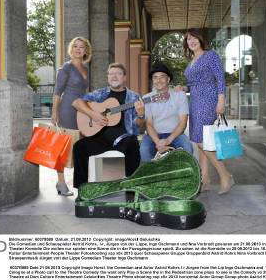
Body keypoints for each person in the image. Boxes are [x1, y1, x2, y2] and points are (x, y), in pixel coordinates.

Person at [176, 28, 234, 195]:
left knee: (202, 141)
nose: (191, 41)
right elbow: (195, 83)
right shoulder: (192, 60)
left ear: (200, 40)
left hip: (208, 100)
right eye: (188, 39)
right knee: (201, 141)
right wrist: (184, 87)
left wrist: (221, 100)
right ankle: (205, 179)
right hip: (194, 101)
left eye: (194, 38)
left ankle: (225, 175)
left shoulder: (210, 55)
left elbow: (219, 78)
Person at [72, 63, 145, 191]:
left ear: (124, 77)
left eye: (118, 73)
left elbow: (139, 126)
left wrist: (141, 115)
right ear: (107, 77)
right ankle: (82, 190)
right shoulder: (101, 94)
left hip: (124, 138)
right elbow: (77, 102)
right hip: (100, 138)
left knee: (132, 145)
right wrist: (93, 115)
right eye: (111, 74)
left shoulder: (134, 97)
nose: (114, 76)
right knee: (79, 147)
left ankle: (131, 189)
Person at [51, 37, 92, 196]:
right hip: (67, 110)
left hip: (81, 111)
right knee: (63, 146)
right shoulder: (66, 68)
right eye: (75, 46)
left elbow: (85, 93)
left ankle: (79, 182)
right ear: (71, 49)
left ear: (86, 51)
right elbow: (57, 92)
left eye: (81, 47)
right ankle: (61, 183)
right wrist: (55, 112)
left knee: (78, 146)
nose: (78, 49)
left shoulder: (86, 69)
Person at [140, 63, 193, 162]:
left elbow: (183, 123)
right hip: (154, 134)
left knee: (188, 148)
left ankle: (183, 176)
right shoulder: (146, 98)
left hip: (175, 134)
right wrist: (158, 142)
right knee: (144, 150)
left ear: (168, 79)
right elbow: (149, 124)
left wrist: (168, 140)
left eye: (162, 77)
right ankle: (153, 176)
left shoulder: (180, 95)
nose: (158, 80)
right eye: (155, 77)